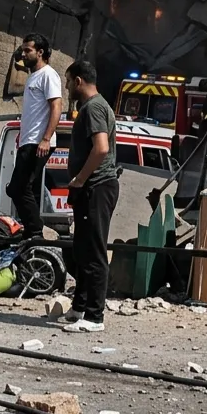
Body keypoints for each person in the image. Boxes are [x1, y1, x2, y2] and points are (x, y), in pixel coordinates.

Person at [61, 59, 119, 333]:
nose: (66, 87)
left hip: (97, 186)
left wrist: (81, 178)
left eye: (68, 81)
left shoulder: (94, 108)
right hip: (90, 188)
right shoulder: (93, 107)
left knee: (94, 251)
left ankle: (94, 317)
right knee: (83, 249)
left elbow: (101, 148)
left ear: (78, 81)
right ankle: (80, 306)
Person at [5, 34, 62, 238]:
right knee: (20, 188)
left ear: (40, 52)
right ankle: (32, 227)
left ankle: (34, 230)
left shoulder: (49, 75)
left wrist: (46, 138)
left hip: (38, 142)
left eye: (28, 50)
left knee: (18, 188)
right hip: (28, 141)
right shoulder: (32, 77)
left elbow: (56, 106)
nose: (23, 53)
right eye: (23, 49)